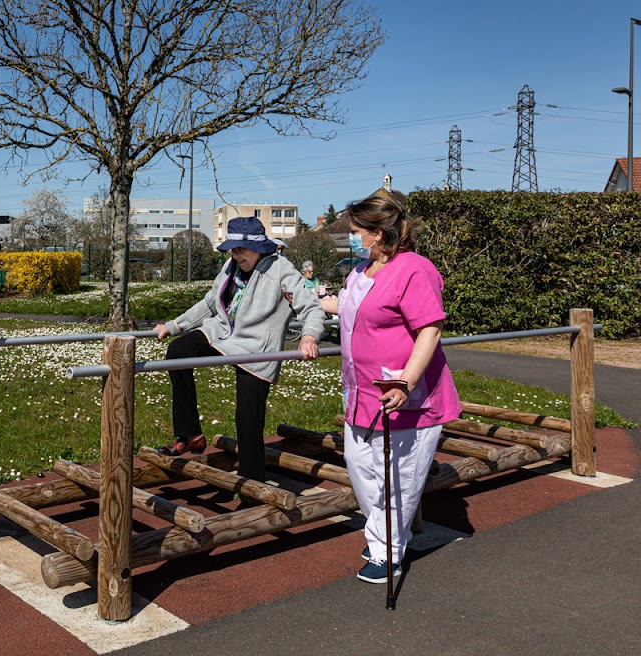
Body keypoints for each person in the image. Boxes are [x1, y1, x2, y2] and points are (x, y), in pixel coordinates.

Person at [318, 191, 461, 584]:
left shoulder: (415, 269)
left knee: (400, 478)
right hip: (361, 393)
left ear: (377, 233)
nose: (352, 238)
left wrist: (406, 380)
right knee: (361, 467)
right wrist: (320, 301)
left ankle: (387, 551)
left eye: (355, 232)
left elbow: (430, 329)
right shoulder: (362, 270)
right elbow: (351, 304)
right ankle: (384, 535)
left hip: (408, 398)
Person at [153, 217, 326, 482]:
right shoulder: (230, 265)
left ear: (259, 248)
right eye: (232, 250)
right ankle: (191, 435)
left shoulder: (281, 269)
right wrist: (174, 325)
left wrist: (310, 337)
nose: (235, 255)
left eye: (240, 250)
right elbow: (210, 303)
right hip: (221, 332)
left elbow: (311, 307)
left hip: (257, 346)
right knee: (178, 352)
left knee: (248, 416)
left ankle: (251, 482)